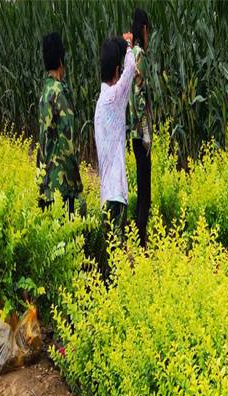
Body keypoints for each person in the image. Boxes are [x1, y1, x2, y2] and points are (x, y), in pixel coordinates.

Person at [94, 33, 137, 276]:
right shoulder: (113, 99)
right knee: (116, 254)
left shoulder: (101, 102)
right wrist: (129, 44)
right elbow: (131, 70)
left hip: (105, 194)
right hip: (115, 194)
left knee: (109, 252)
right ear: (116, 69)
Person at [37, 31, 83, 216]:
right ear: (61, 61)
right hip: (62, 184)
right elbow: (67, 143)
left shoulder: (44, 92)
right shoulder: (59, 93)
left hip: (46, 183)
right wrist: (77, 185)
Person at [129, 8, 152, 247]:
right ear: (144, 29)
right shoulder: (140, 55)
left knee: (141, 184)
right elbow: (140, 96)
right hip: (141, 133)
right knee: (145, 190)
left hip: (132, 133)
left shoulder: (129, 53)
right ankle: (141, 241)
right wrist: (147, 134)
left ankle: (139, 235)